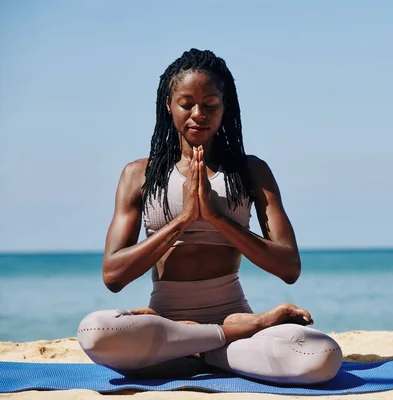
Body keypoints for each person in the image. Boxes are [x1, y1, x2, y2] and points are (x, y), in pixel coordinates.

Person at [77, 49, 342, 384]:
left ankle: (204, 348)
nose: (198, 114)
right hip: (166, 325)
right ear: (168, 105)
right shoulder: (137, 175)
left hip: (231, 317)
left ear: (224, 107)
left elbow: (289, 267)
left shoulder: (251, 172)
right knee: (95, 330)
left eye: (211, 104)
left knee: (321, 357)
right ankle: (217, 341)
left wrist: (218, 219)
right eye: (187, 103)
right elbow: (113, 275)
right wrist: (183, 219)